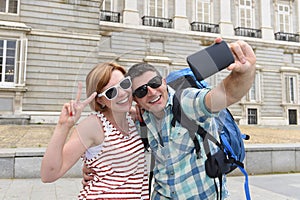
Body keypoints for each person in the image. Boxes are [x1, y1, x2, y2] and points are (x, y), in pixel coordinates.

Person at [83, 38, 256, 199]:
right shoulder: (141, 119)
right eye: (142, 91)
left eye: (155, 83)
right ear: (135, 99)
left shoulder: (186, 102)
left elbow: (227, 94)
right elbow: (116, 146)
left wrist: (245, 72)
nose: (151, 92)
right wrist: (92, 167)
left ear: (164, 82)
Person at [40, 62, 149, 199]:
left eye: (124, 84)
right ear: (100, 100)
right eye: (111, 92)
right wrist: (63, 126)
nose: (122, 93)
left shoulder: (133, 118)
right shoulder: (94, 126)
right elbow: (48, 174)